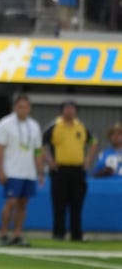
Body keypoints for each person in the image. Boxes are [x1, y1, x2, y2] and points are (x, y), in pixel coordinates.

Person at [0, 93, 44, 247]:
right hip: (12, 170)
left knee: (23, 203)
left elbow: (38, 150)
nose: (23, 109)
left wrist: (40, 170)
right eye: (20, 106)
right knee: (11, 202)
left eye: (26, 107)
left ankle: (18, 234)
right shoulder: (5, 124)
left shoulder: (34, 125)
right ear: (15, 107)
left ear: (29, 108)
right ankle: (3, 234)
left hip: (29, 171)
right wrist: (0, 170)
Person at [42, 101, 97, 241]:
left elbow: (94, 142)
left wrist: (88, 160)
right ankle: (58, 233)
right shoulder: (55, 126)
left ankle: (76, 234)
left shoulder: (81, 126)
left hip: (78, 170)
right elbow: (42, 143)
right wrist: (49, 160)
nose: (70, 112)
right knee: (59, 203)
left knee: (77, 203)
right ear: (62, 111)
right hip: (60, 170)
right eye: (67, 109)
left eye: (72, 109)